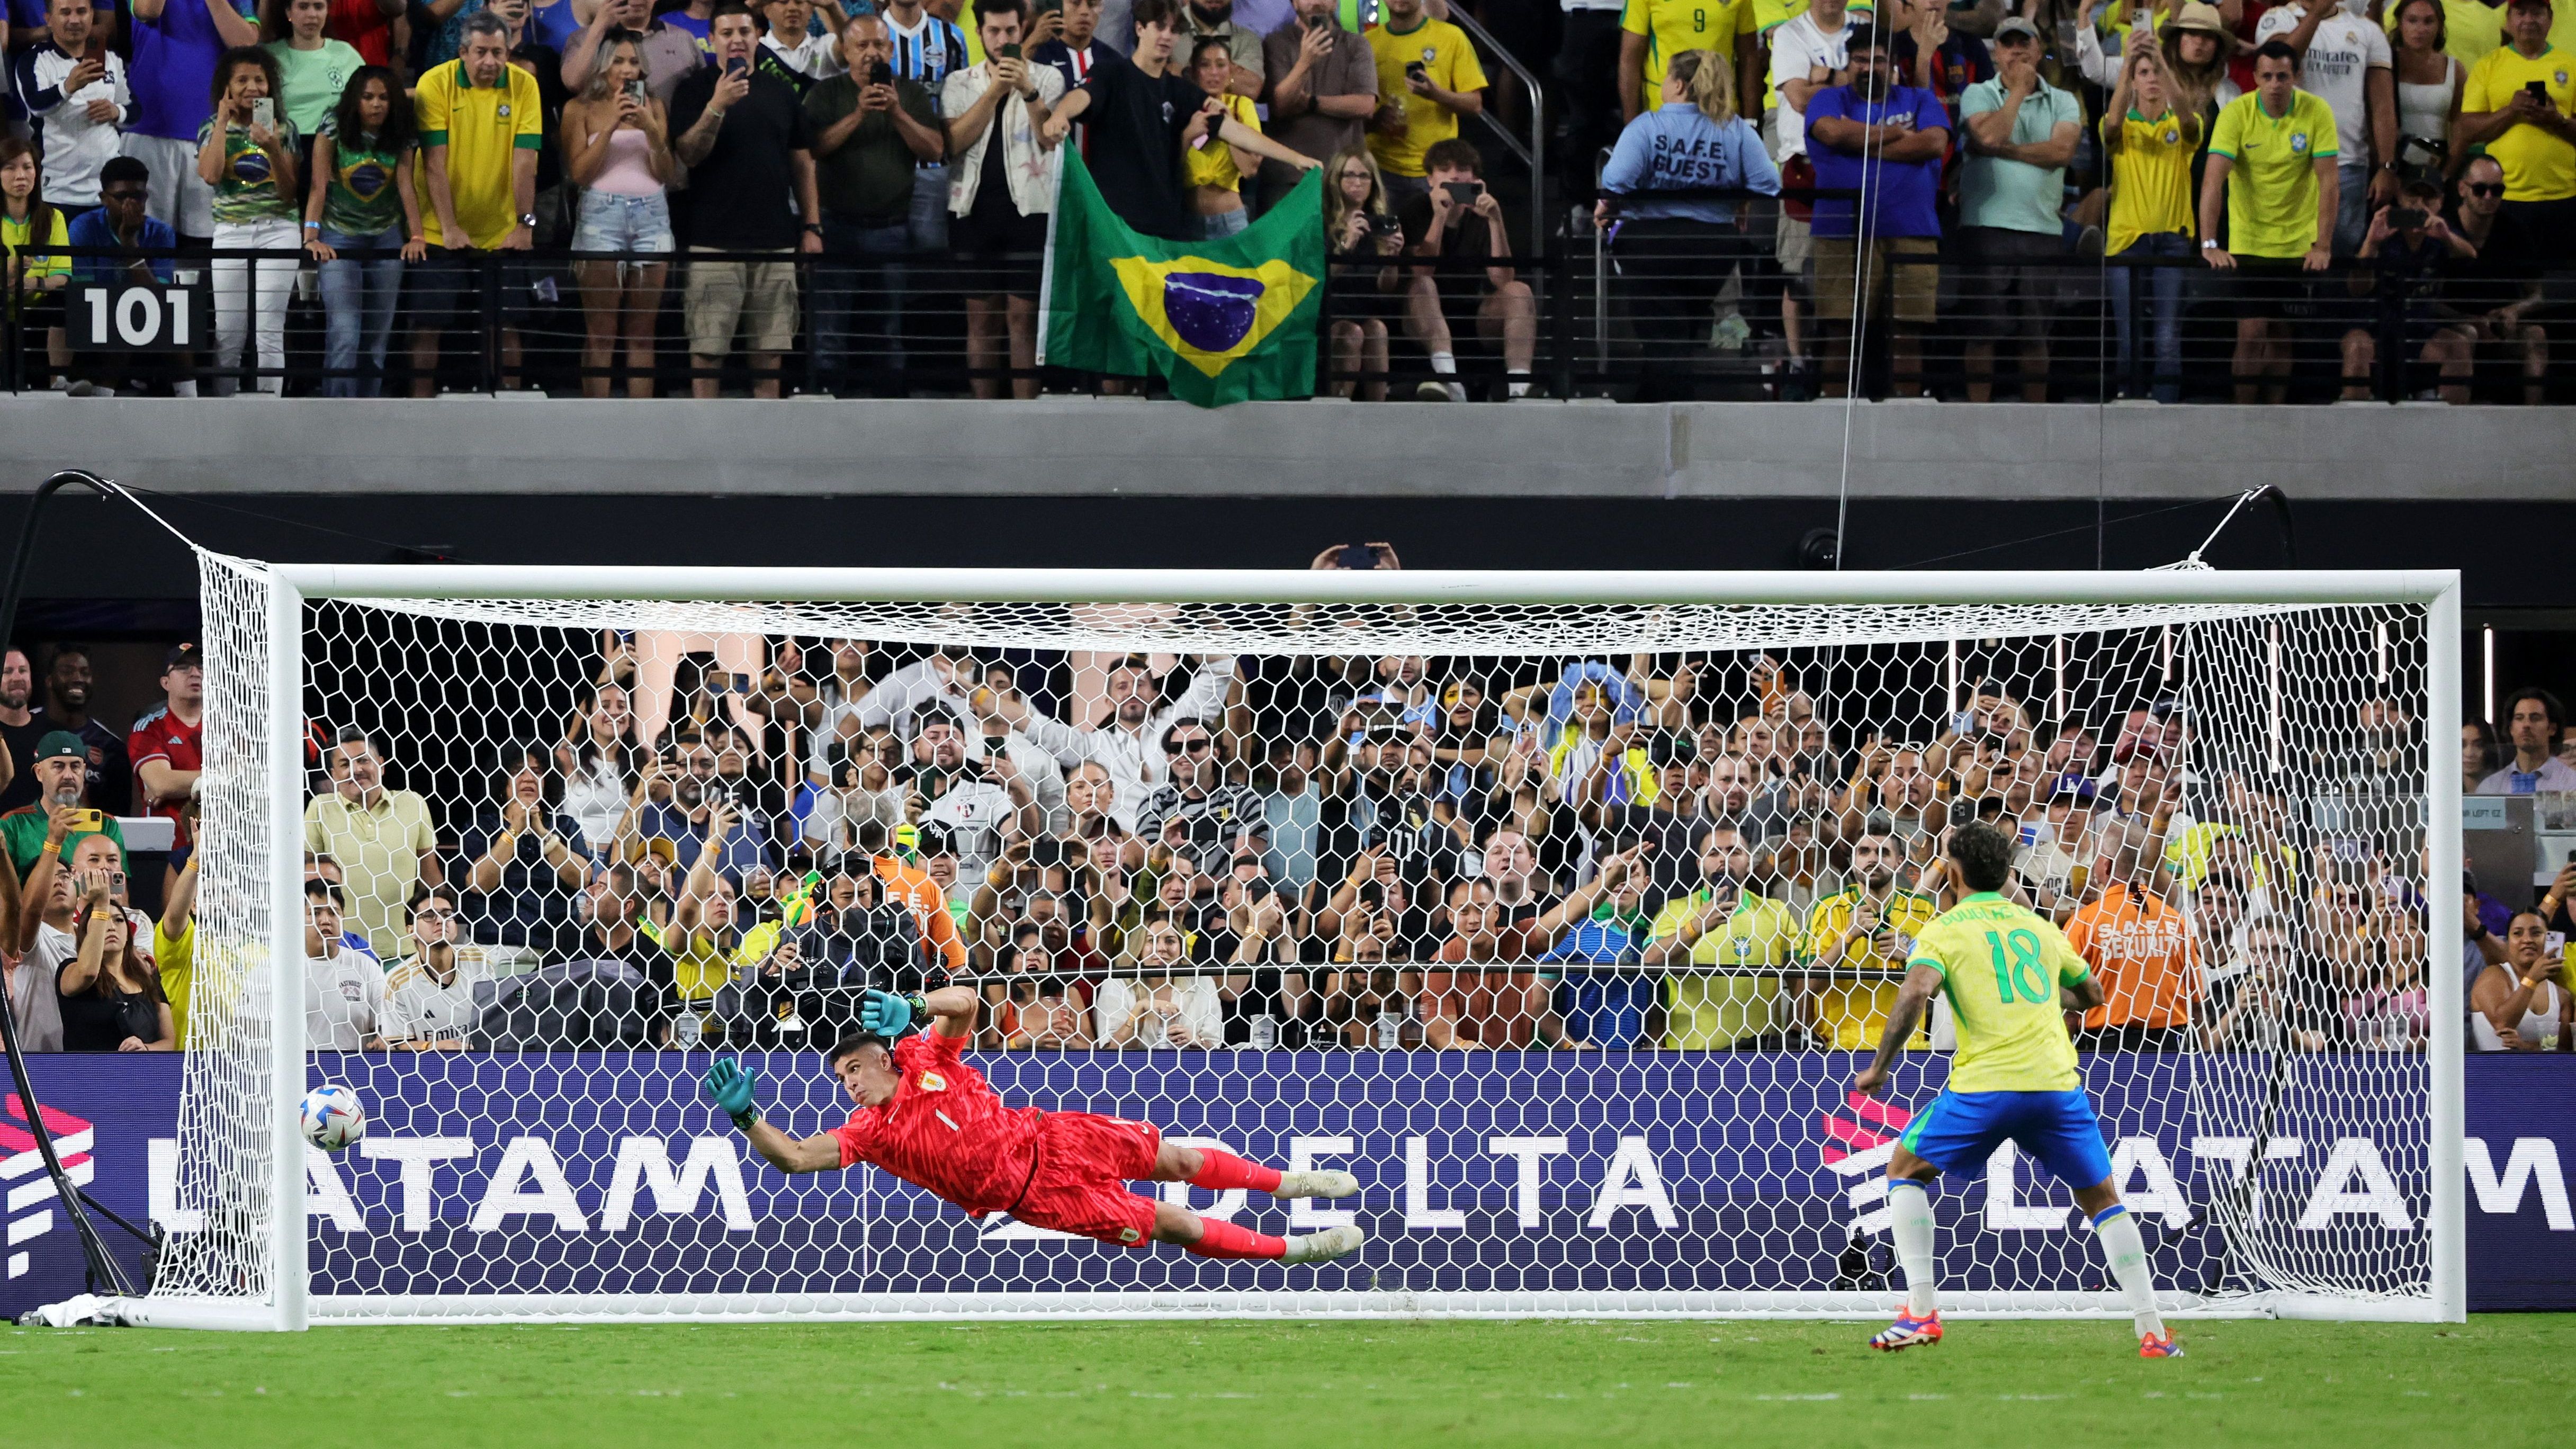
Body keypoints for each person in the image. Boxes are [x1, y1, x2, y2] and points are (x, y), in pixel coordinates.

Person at [701, 987, 1368, 1262]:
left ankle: (1286, 1182)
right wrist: (746, 1116)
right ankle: (1296, 1249)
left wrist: (912, 1002)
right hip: (1037, 1196)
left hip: (1052, 1134)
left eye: (852, 1069)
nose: (847, 1084)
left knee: (1181, 1162)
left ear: (880, 1056)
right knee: (1172, 1224)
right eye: (840, 1079)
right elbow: (791, 1157)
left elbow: (963, 1002)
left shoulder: (923, 1052)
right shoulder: (869, 1133)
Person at [1854, 822, 2185, 1358]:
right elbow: (2092, 992)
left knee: (1903, 1171)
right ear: (2008, 874)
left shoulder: (1944, 929)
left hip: (1985, 1086)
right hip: (2055, 1085)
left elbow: (1916, 989)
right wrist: (2044, 1000)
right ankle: (2152, 1330)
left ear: (1953, 873)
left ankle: (1920, 1310)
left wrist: (1878, 1067)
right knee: (2102, 1200)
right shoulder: (2041, 928)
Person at [1039, 0, 1317, 241]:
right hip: (1116, 226)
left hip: (1166, 227)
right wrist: (1062, 114)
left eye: (1174, 30)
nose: (1167, 36)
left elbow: (1235, 131)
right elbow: (1083, 95)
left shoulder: (1182, 91)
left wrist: (1295, 158)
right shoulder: (1112, 73)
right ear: (1139, 29)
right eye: (1159, 27)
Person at [1595, 48, 1780, 401]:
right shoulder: (1735, 129)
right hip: (1713, 248)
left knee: (1664, 339)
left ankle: (1675, 418)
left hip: (1651, 246)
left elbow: (1616, 180)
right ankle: (1647, 404)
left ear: (1678, 85)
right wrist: (1736, 196)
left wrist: (1605, 207)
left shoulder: (1648, 126)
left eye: (1666, 77)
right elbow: (1768, 183)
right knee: (1673, 335)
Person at [669, 3, 824, 399]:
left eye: (744, 31)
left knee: (770, 356)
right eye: (727, 33)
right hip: (713, 242)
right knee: (706, 353)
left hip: (775, 241)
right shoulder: (694, 89)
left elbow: (802, 163)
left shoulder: (780, 92)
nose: (737, 39)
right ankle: (705, 445)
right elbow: (688, 154)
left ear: (757, 37)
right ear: (713, 40)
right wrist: (716, 107)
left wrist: (811, 226)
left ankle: (768, 448)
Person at [1805, 23, 1948, 399]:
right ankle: (1833, 417)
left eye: (1879, 60)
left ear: (1893, 65)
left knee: (1908, 334)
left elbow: (1934, 143)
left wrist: (1861, 140)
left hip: (1911, 230)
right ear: (1848, 63)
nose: (1869, 68)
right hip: (1842, 233)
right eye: (1860, 60)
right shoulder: (1827, 99)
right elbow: (1830, 134)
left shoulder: (1919, 98)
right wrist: (1901, 135)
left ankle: (1905, 419)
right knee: (1841, 333)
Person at [805, 11, 943, 395]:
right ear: (846, 52)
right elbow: (813, 149)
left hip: (892, 229)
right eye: (861, 45)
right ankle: (826, 408)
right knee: (830, 331)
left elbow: (935, 148)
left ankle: (891, 414)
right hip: (836, 227)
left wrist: (896, 111)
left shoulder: (910, 93)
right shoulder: (827, 93)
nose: (871, 54)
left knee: (888, 331)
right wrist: (858, 114)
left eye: (879, 44)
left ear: (891, 50)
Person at [407, 12, 542, 395]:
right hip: (439, 228)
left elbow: (525, 162)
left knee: (507, 324)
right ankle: (419, 409)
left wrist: (524, 225)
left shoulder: (525, 86)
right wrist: (449, 227)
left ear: (508, 51)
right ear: (463, 51)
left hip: (501, 229)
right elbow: (434, 163)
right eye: (481, 52)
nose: (490, 62)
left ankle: (509, 407)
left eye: (498, 52)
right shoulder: (435, 82)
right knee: (427, 324)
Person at [2200, 40, 2340, 404]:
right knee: (2251, 334)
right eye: (2267, 76)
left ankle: (2277, 416)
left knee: (2280, 334)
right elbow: (2213, 180)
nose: (2275, 84)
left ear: (2296, 76)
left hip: (2298, 244)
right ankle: (2243, 417)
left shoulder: (2316, 111)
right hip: (2249, 243)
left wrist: (2323, 244)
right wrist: (2209, 243)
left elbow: (2329, 181)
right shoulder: (2236, 114)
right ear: (2256, 78)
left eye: (2282, 76)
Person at [941, 0, 1061, 399]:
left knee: (1023, 321)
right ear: (979, 33)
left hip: (1030, 211)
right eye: (993, 31)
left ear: (1022, 29)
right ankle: (983, 415)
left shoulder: (1048, 78)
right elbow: (953, 142)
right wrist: (996, 89)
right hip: (971, 211)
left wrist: (1027, 90)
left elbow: (1049, 139)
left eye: (1010, 31)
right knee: (980, 321)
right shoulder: (959, 82)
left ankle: (1025, 419)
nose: (1002, 40)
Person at [1956, 17, 2076, 403]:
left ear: (2039, 51)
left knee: (2036, 334)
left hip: (2042, 230)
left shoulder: (2064, 100)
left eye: (2025, 44)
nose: (2018, 51)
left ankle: (2036, 417)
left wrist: (2002, 151)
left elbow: (2060, 152)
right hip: (1986, 229)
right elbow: (1989, 133)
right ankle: (1976, 414)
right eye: (2008, 45)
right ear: (1996, 53)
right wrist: (2018, 94)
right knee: (1982, 332)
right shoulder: (1977, 93)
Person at [561, 29, 676, 399]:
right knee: (601, 332)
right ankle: (599, 424)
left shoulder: (654, 106)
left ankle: (640, 427)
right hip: (601, 218)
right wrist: (611, 125)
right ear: (602, 65)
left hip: (652, 217)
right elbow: (579, 174)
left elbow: (667, 173)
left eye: (633, 62)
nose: (627, 70)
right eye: (619, 61)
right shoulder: (579, 108)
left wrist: (651, 131)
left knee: (643, 332)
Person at [301, 65, 419, 397]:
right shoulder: (333, 123)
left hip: (386, 236)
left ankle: (369, 414)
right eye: (368, 97)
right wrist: (311, 236)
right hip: (338, 235)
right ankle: (338, 415)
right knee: (345, 332)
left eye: (384, 98)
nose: (377, 104)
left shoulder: (401, 129)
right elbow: (318, 185)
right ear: (354, 100)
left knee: (376, 339)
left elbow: (406, 185)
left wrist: (417, 236)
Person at [1766, 0, 1860, 397]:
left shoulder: (1861, 30)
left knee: (1850, 270)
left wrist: (1822, 77)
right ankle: (1797, 361)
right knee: (1797, 273)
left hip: (1855, 158)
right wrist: (1846, 81)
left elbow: (1877, 90)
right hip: (1804, 163)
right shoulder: (1791, 34)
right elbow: (1799, 99)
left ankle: (1843, 368)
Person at [2253, 0, 2395, 255]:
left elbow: (2382, 105)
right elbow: (2280, 62)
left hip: (2348, 163)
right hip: (2288, 162)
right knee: (2288, 255)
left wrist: (2386, 166)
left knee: (2341, 257)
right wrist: (2317, 13)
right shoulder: (2277, 19)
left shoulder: (2368, 30)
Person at [1396, 137, 1533, 401]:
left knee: (1519, 291)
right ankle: (1448, 379)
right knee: (1424, 286)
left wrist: (1495, 220)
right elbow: (1422, 273)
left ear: (1474, 180)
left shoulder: (1481, 215)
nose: (1455, 179)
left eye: (1462, 173)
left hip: (1473, 315)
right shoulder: (1416, 209)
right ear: (1430, 180)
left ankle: (1519, 387)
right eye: (1446, 172)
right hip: (1423, 313)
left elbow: (1503, 279)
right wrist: (1439, 216)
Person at [196, 46, 299, 394]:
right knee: (228, 332)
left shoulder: (285, 129)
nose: (252, 87)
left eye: (259, 79)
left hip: (279, 231)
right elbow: (210, 175)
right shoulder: (210, 127)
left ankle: (269, 414)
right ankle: (226, 413)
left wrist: (272, 147)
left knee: (269, 329)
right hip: (230, 233)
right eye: (242, 80)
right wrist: (223, 122)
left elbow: (289, 193)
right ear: (226, 86)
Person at [2102, 44, 2199, 402]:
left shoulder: (2183, 123)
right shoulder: (2119, 124)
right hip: (2126, 241)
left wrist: (2162, 58)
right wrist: (2127, 63)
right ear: (2133, 82)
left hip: (2172, 239)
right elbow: (2110, 128)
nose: (2152, 79)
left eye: (2157, 72)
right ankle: (2127, 404)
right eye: (2144, 73)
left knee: (2167, 336)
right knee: (2128, 336)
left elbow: (2189, 122)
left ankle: (2166, 415)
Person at [122, 0, 261, 244]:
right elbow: (147, 11)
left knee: (203, 240)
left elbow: (246, 45)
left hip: (210, 133)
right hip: (150, 127)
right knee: (148, 235)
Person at [303, 725, 442, 959]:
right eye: (345, 764)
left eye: (363, 760)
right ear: (333, 774)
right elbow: (306, 883)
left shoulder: (412, 804)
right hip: (342, 954)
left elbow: (430, 879)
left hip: (405, 954)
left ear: (381, 764)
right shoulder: (321, 808)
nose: (356, 770)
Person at [2453, 0, 2575, 259]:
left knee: (2562, 287)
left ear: (2550, 20)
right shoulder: (2488, 66)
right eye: (2521, 13)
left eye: (2537, 13)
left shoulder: (2571, 66)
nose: (2529, 20)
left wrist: (2556, 120)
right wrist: (2512, 111)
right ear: (2508, 21)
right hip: (2502, 196)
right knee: (2508, 280)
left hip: (2564, 195)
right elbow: (2468, 130)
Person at [2334, 181, 2474, 400]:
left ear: (2441, 202)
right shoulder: (2383, 229)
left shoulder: (2441, 234)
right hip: (2373, 326)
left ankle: (2451, 428)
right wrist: (2371, 244)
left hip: (2418, 329)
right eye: (2412, 197)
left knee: (2457, 346)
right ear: (2399, 197)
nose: (2419, 205)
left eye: (2428, 198)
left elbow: (2470, 256)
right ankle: (2355, 422)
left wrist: (2447, 237)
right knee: (2358, 346)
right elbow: (2357, 289)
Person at [2441, 154, 2547, 403]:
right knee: (2466, 335)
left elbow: (2537, 294)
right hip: (2455, 324)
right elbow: (2428, 300)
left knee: (2536, 336)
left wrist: (2514, 311)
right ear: (2462, 189)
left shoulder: (2515, 230)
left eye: (2497, 190)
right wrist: (2470, 320)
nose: (2489, 198)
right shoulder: (2444, 229)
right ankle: (2458, 423)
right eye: (2480, 190)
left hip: (2502, 328)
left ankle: (2536, 417)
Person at [1360, 0, 1482, 211]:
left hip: (1441, 170)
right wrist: (1375, 120)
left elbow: (1475, 105)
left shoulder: (1452, 36)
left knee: (1448, 240)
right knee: (1384, 242)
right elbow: (1354, 111)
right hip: (1382, 169)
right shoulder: (1367, 43)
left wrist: (1437, 95)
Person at [16, 0, 131, 218]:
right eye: (65, 13)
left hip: (107, 190)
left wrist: (117, 112)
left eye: (81, 12)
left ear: (92, 16)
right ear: (49, 20)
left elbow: (134, 109)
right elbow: (36, 105)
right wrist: (68, 86)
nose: (75, 20)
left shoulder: (111, 59)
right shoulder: (34, 60)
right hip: (58, 190)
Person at [1258, 0, 1373, 212]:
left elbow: (1365, 105)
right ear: (1294, 3)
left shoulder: (1356, 44)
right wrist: (1306, 61)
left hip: (1342, 177)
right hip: (1287, 178)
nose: (1316, 3)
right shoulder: (1276, 43)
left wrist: (1311, 102)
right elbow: (1280, 106)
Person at [57, 869, 175, 1052]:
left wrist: (145, 1048)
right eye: (103, 921)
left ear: (129, 933)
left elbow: (169, 1042)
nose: (111, 927)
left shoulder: (147, 974)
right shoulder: (69, 970)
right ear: (86, 934)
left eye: (119, 920)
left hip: (141, 1074)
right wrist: (100, 905)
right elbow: (88, 972)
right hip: (89, 1075)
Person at [1321, 141, 1398, 399]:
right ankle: (1338, 405)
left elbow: (1386, 288)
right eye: (1350, 175)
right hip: (1328, 314)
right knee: (1352, 332)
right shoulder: (1320, 221)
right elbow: (1321, 278)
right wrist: (1347, 243)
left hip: (1364, 310)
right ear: (1336, 179)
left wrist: (1390, 259)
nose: (1357, 182)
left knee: (1377, 329)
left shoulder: (1380, 224)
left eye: (1364, 176)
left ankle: (1378, 411)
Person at [0, 139, 73, 391]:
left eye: (27, 167)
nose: (20, 175)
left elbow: (62, 276)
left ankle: (58, 381)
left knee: (65, 298)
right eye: (10, 168)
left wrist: (33, 282)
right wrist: (7, 273)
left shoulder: (54, 218)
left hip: (36, 316)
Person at [126, 641, 203, 872]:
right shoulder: (149, 728)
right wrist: (219, 779)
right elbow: (160, 783)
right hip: (166, 850)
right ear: (165, 682)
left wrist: (179, 785)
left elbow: (246, 776)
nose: (195, 673)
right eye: (183, 668)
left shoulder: (228, 727)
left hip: (220, 848)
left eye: (201, 667)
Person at [382, 884, 478, 1049]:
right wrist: (436, 1047)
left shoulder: (480, 961)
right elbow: (399, 1043)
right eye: (428, 916)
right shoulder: (397, 981)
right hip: (428, 1066)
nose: (441, 921)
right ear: (410, 930)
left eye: (447, 915)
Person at [1183, 35, 1260, 238]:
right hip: (1187, 220)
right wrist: (1189, 134)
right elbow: (1169, 164)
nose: (1214, 73)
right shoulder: (1182, 107)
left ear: (1231, 71)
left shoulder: (1242, 106)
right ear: (1194, 72)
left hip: (1231, 222)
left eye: (1221, 65)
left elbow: (1250, 169)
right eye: (1205, 65)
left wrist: (1228, 124)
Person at [303, 875, 385, 1050]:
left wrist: (382, 1039)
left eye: (334, 913)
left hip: (354, 1072)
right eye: (315, 913)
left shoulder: (366, 966)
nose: (325, 920)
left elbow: (385, 1027)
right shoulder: (274, 969)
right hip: (297, 1074)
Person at [261, 0, 361, 137]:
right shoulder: (269, 56)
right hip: (285, 146)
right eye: (303, 7)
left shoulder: (346, 53)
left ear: (327, 11)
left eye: (319, 7)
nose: (312, 15)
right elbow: (259, 108)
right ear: (289, 12)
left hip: (337, 146)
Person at [2387, 0, 2462, 182]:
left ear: (2440, 26)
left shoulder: (2454, 68)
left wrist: (2447, 172)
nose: (2420, 29)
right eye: (2412, 21)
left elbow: (2460, 124)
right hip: (2393, 157)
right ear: (2400, 23)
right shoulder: (2386, 64)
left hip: (2437, 158)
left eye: (2428, 22)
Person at [2479, 687, 2576, 793]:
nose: (2526, 725)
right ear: (2511, 729)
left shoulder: (2571, 784)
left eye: (2535, 718)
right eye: (2519, 718)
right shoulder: (2491, 787)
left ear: (2552, 728)